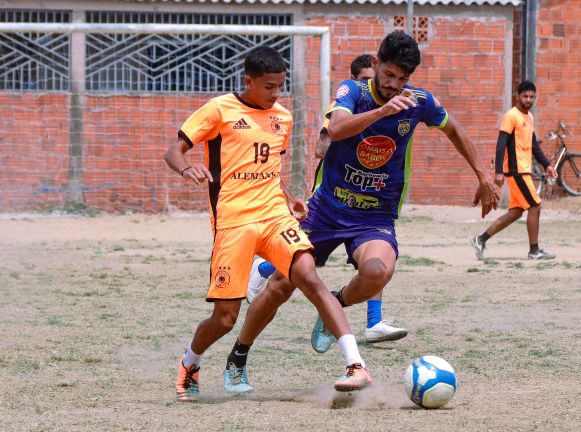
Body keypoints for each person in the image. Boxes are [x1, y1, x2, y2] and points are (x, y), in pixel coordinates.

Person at [232, 30, 499, 372]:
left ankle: (333, 308)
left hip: (375, 216)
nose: (394, 84)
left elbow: (454, 129)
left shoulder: (418, 101)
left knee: (378, 272)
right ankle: (239, 355)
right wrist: (383, 111)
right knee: (282, 284)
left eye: (403, 79)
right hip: (327, 209)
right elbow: (339, 128)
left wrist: (483, 175)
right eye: (388, 75)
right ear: (375, 65)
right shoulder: (353, 91)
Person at [164, 46, 372, 402]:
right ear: (249, 81)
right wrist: (187, 167)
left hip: (274, 216)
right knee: (225, 319)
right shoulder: (219, 110)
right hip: (233, 222)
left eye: (280, 87)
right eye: (269, 87)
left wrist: (288, 196)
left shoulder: (283, 117)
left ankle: (355, 364)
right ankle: (190, 361)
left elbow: (266, 167)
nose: (276, 94)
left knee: (309, 276)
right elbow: (173, 150)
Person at [247, 53, 408, 344]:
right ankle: (263, 266)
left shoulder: (394, 106)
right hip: (332, 196)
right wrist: (357, 131)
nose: (371, 85)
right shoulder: (343, 105)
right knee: (300, 264)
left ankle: (374, 321)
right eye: (364, 80)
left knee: (375, 262)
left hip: (371, 203)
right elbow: (323, 146)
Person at [470, 80, 557, 260]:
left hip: (524, 171)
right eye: (525, 96)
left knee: (516, 212)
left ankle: (480, 240)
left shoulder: (529, 117)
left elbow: (533, 145)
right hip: (516, 171)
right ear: (518, 96)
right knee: (535, 205)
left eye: (532, 96)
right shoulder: (511, 115)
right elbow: (501, 143)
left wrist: (547, 165)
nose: (528, 100)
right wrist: (499, 171)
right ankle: (534, 251)